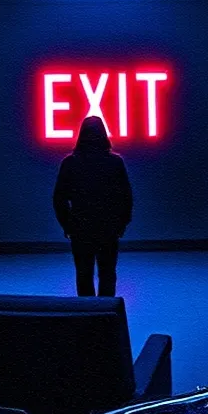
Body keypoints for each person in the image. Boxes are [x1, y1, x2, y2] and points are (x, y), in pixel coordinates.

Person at [52, 115, 133, 297]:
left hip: (80, 226)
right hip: (108, 226)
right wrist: (121, 224)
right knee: (107, 273)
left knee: (83, 274)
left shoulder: (70, 163)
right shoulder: (115, 162)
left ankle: (87, 311)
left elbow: (59, 198)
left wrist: (67, 225)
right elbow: (125, 197)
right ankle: (106, 310)